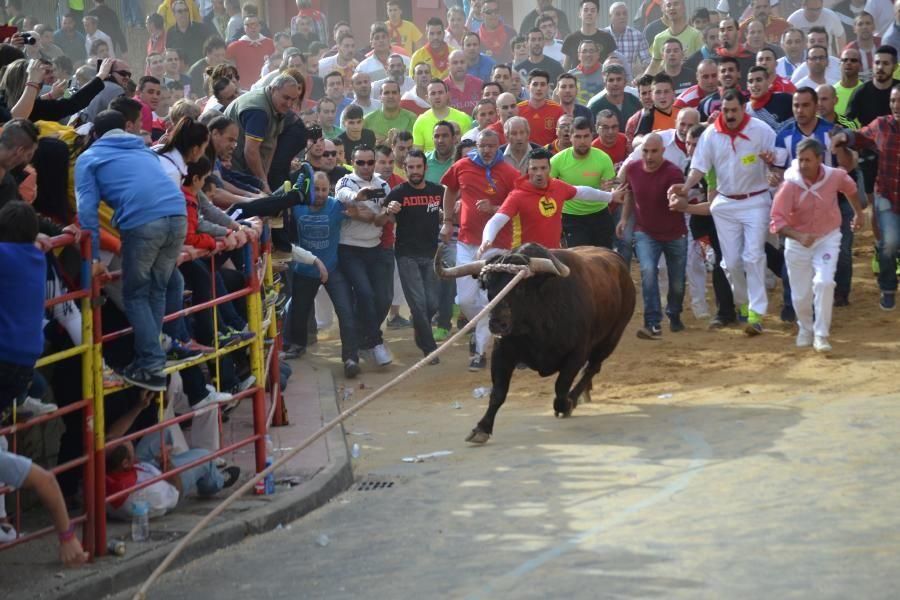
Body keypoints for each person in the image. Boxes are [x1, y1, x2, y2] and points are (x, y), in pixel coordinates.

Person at [75, 111, 187, 390]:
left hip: (143, 221)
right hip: (178, 215)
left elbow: (87, 211)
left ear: (96, 135)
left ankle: (151, 365)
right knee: (157, 290)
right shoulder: (144, 150)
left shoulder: (89, 158)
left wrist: (95, 257)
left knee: (135, 294)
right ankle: (152, 359)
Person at [669, 89, 777, 335]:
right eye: (726, 110)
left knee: (753, 256)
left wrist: (773, 160)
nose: (729, 115)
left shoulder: (760, 130)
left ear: (743, 108)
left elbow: (780, 155)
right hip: (725, 204)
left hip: (756, 200)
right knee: (730, 263)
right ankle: (744, 304)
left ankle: (756, 314)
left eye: (734, 110)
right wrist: (685, 188)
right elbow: (698, 166)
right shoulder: (710, 134)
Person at [770, 138, 862, 351]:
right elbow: (776, 220)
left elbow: (850, 188)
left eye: (808, 160)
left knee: (824, 282)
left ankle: (821, 334)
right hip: (797, 242)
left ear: (820, 159)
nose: (803, 165)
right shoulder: (789, 185)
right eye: (800, 160)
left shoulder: (834, 176)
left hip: (826, 238)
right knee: (801, 293)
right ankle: (805, 327)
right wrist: (798, 236)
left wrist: (858, 213)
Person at [439, 129, 520, 370]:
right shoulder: (462, 165)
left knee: (487, 298)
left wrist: (495, 207)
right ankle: (486, 324)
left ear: (499, 147)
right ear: (477, 145)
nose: (486, 150)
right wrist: (447, 221)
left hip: (497, 247)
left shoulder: (509, 172)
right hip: (465, 242)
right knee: (464, 299)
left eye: (491, 146)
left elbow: (516, 204)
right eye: (482, 145)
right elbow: (450, 189)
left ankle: (479, 352)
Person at [480, 146, 624, 255]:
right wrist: (487, 239)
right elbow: (496, 220)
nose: (539, 173)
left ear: (550, 168)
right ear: (527, 170)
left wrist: (610, 196)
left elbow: (582, 191)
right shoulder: (517, 196)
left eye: (543, 168)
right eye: (534, 169)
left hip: (554, 255)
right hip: (524, 256)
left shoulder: (558, 187)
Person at [831, 85, 900, 310]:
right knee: (889, 244)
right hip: (887, 194)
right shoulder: (882, 125)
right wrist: (844, 135)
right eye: (893, 100)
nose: (896, 105)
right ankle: (888, 287)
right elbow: (859, 137)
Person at [287, 171, 361, 378]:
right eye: (316, 189)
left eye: (324, 189)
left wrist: (355, 206)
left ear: (329, 189)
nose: (320, 194)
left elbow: (356, 211)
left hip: (332, 267)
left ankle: (350, 357)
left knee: (345, 310)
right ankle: (297, 345)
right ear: (309, 189)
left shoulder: (335, 206)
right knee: (299, 310)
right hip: (304, 269)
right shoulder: (296, 206)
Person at [619, 133, 688, 338]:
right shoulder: (632, 169)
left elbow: (678, 194)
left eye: (654, 151)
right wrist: (624, 218)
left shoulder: (673, 173)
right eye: (645, 151)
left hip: (675, 234)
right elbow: (630, 193)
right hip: (645, 231)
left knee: (677, 282)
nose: (649, 156)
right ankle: (653, 323)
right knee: (648, 271)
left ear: (663, 151)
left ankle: (674, 313)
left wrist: (676, 196)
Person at [335, 146, 394, 367]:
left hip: (375, 247)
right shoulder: (346, 181)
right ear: (353, 162)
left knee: (384, 297)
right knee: (365, 294)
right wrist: (358, 198)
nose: (366, 167)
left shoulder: (383, 185)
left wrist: (370, 216)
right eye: (361, 163)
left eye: (370, 162)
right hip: (349, 249)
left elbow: (382, 219)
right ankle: (375, 342)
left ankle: (364, 339)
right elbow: (343, 197)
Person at [383, 150, 443, 362]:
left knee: (432, 303)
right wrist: (390, 209)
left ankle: (420, 330)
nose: (415, 171)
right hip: (406, 255)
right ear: (405, 168)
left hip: (431, 254)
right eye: (411, 167)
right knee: (418, 303)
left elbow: (449, 213)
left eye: (419, 167)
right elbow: (385, 219)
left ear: (425, 168)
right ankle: (430, 349)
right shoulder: (398, 192)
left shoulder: (438, 192)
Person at [223, 74, 302, 194]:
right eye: (286, 98)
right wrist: (263, 182)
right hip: (234, 171)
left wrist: (264, 176)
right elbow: (251, 151)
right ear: (273, 89)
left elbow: (272, 142)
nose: (289, 104)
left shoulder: (276, 105)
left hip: (246, 171)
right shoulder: (258, 111)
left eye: (293, 99)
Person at [550, 116, 617, 249]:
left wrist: (610, 189)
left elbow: (611, 187)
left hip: (599, 214)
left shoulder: (603, 158)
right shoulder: (557, 160)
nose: (582, 141)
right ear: (570, 137)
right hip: (571, 218)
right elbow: (546, 189)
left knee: (604, 259)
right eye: (578, 136)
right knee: (579, 260)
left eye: (586, 136)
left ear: (592, 136)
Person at [412, 78, 471, 152]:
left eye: (440, 92)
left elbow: (468, 151)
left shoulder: (464, 118)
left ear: (447, 95)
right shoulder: (420, 122)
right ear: (427, 98)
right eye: (433, 93)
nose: (437, 97)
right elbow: (418, 154)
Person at [846, 44, 900, 125]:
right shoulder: (860, 92)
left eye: (885, 63)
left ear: (895, 67)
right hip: (868, 136)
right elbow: (846, 121)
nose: (880, 67)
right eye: (877, 63)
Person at [647, 0, 704, 75]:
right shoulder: (659, 38)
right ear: (664, 10)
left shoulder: (696, 35)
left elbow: (702, 63)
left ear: (683, 7)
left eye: (676, 4)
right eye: (668, 5)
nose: (672, 8)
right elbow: (654, 66)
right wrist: (643, 80)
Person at [562, 0, 617, 70]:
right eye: (585, 10)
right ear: (579, 14)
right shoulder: (570, 39)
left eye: (593, 10)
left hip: (601, 79)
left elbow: (612, 65)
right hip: (577, 79)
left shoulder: (607, 38)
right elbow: (565, 67)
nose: (589, 13)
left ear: (597, 14)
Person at [604, 2, 652, 80]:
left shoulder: (637, 35)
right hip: (607, 81)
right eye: (618, 14)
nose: (622, 16)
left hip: (630, 82)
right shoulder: (603, 35)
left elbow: (647, 61)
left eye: (624, 13)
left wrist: (640, 75)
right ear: (610, 16)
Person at [516, 69, 564, 146]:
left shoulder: (558, 110)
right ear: (528, 87)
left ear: (548, 87)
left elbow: (561, 139)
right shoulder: (517, 109)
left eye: (542, 84)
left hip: (549, 156)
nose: (539, 88)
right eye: (535, 84)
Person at [365, 80, 416, 145]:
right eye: (386, 93)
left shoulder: (411, 118)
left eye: (394, 93)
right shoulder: (367, 120)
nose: (390, 96)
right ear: (380, 97)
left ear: (400, 97)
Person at [165, 0, 211, 67]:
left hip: (200, 71)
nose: (183, 13)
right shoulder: (170, 33)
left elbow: (210, 50)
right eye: (180, 11)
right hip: (181, 73)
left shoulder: (201, 28)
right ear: (174, 14)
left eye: (186, 10)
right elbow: (169, 54)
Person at [746, 64, 794, 129]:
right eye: (751, 81)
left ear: (768, 81)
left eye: (759, 80)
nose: (754, 84)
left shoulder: (785, 99)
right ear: (747, 86)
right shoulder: (745, 110)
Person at [445, 49, 483, 116]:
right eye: (455, 63)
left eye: (462, 62)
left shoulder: (479, 84)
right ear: (448, 66)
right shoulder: (442, 87)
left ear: (467, 64)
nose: (459, 66)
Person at [568, 39, 606, 105]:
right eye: (584, 51)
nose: (588, 54)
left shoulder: (606, 73)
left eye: (591, 51)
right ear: (579, 56)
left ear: (598, 55)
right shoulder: (570, 76)